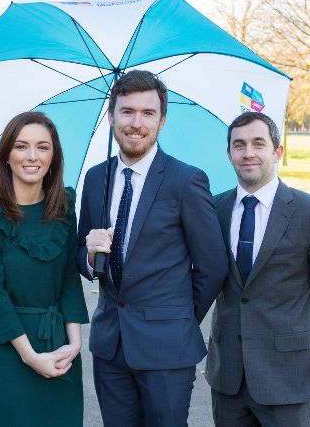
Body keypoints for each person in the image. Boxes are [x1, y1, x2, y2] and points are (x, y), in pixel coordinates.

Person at [77, 70, 229, 427]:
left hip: (167, 348)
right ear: (111, 116)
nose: (136, 123)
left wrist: (177, 318)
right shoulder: (96, 177)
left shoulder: (186, 179)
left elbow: (213, 265)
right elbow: (80, 247)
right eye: (127, 111)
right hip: (110, 344)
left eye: (147, 114)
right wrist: (86, 254)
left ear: (161, 121)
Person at [205, 112, 310, 427]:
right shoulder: (213, 209)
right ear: (229, 155)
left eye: (259, 143)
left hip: (288, 373)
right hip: (228, 372)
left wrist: (297, 336)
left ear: (277, 151)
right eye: (239, 145)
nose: (249, 153)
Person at [0, 112, 89, 427]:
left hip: (60, 349)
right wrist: (30, 356)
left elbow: (69, 283)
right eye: (21, 146)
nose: (32, 156)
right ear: (7, 155)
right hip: (10, 351)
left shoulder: (64, 208)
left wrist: (74, 344)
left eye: (42, 147)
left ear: (53, 157)